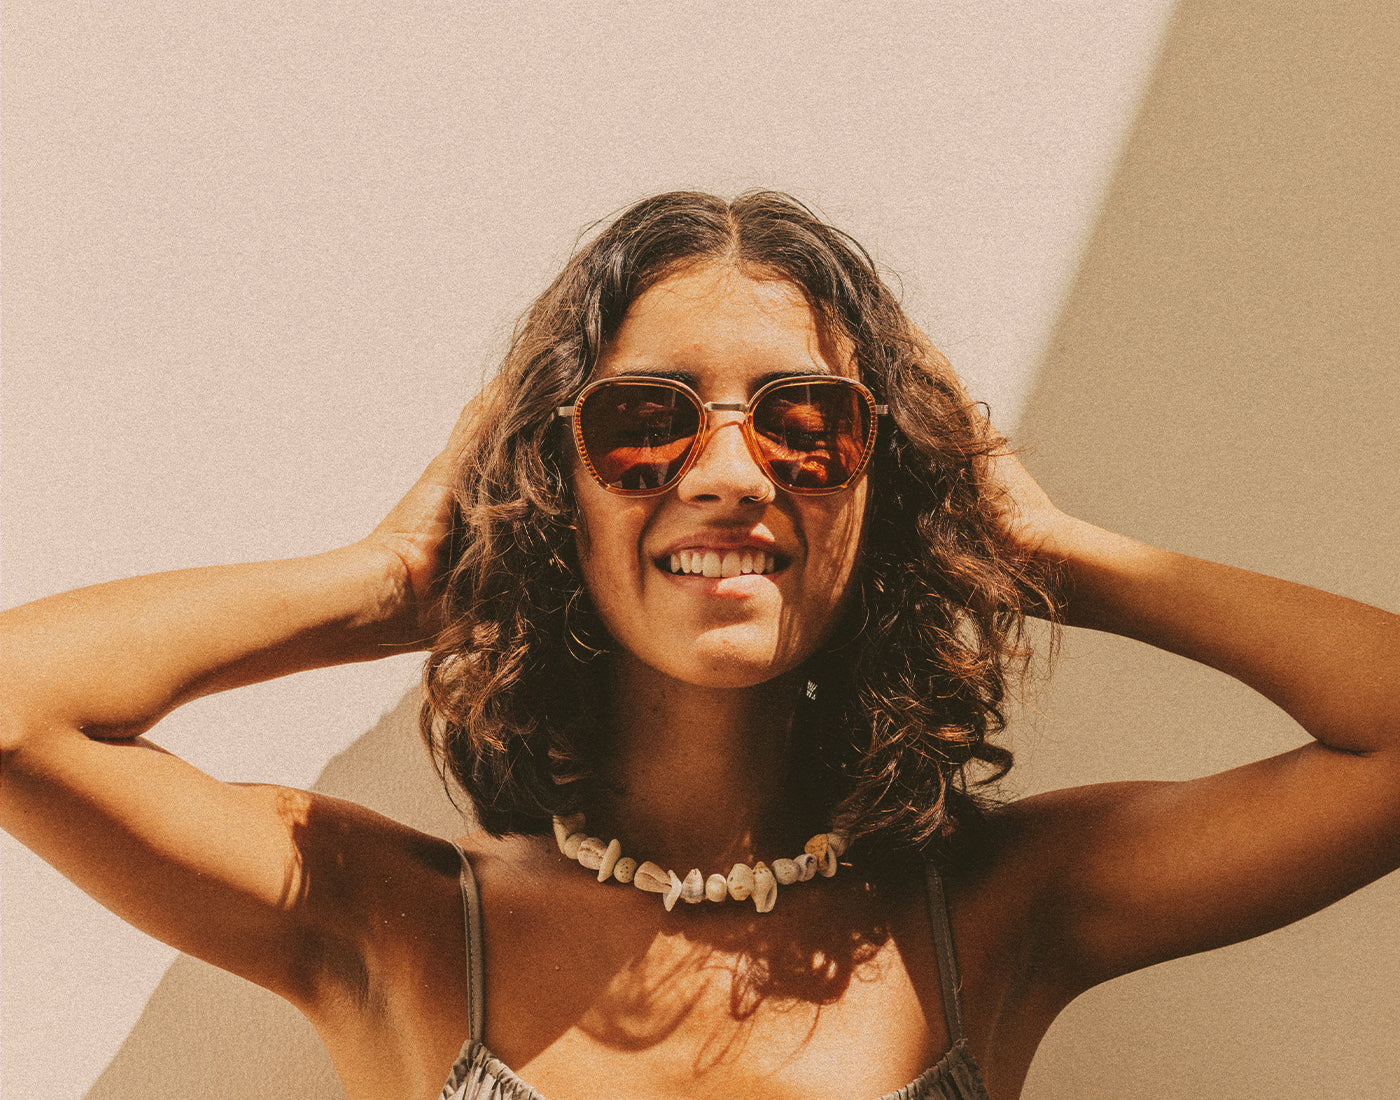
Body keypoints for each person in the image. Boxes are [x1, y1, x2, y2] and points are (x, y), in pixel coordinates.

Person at [2, 191, 1396, 1100]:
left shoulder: (991, 914)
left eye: (807, 425)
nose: (733, 474)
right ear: (560, 484)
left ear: (878, 479)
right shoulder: (411, 927)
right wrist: (392, 578)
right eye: (647, 420)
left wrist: (1034, 546)